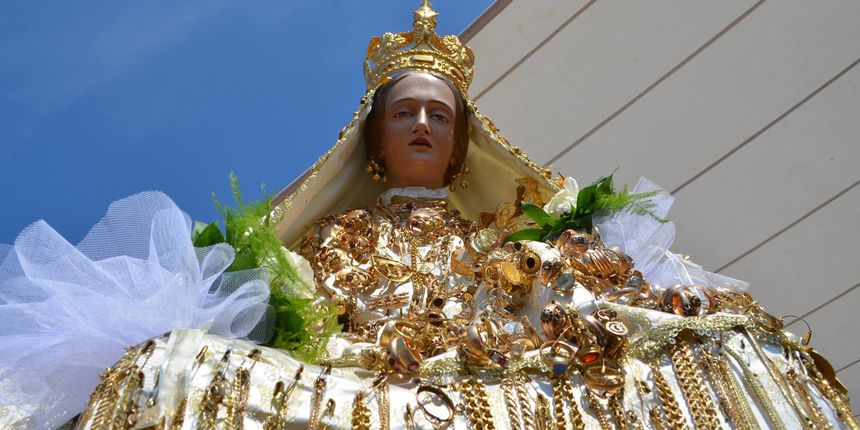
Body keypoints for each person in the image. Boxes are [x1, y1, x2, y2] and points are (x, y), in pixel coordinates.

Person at [4, 2, 856, 429]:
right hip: (374, 386)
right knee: (176, 365)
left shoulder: (508, 239)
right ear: (374, 139)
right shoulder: (336, 238)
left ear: (461, 140)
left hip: (497, 380)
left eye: (439, 115)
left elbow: (555, 305)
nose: (422, 124)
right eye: (406, 112)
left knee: (729, 340)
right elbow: (305, 324)